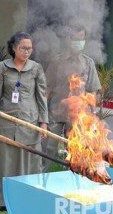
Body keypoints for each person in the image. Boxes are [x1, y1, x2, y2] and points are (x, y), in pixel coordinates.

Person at [0, 31, 48, 211]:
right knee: (4, 162)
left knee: (29, 162)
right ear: (13, 48)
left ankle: (26, 198)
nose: (27, 52)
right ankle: (2, 201)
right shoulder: (2, 67)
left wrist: (44, 122)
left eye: (29, 48)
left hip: (30, 121)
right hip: (6, 121)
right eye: (23, 48)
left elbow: (41, 97)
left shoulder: (36, 68)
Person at [40, 25, 101, 173]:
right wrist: (42, 115)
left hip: (78, 116)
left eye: (82, 39)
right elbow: (47, 88)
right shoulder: (57, 61)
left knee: (75, 152)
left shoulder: (88, 63)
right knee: (48, 149)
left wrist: (92, 116)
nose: (79, 42)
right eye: (76, 39)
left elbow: (92, 91)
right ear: (68, 39)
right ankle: (40, 178)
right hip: (55, 113)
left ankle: (69, 179)